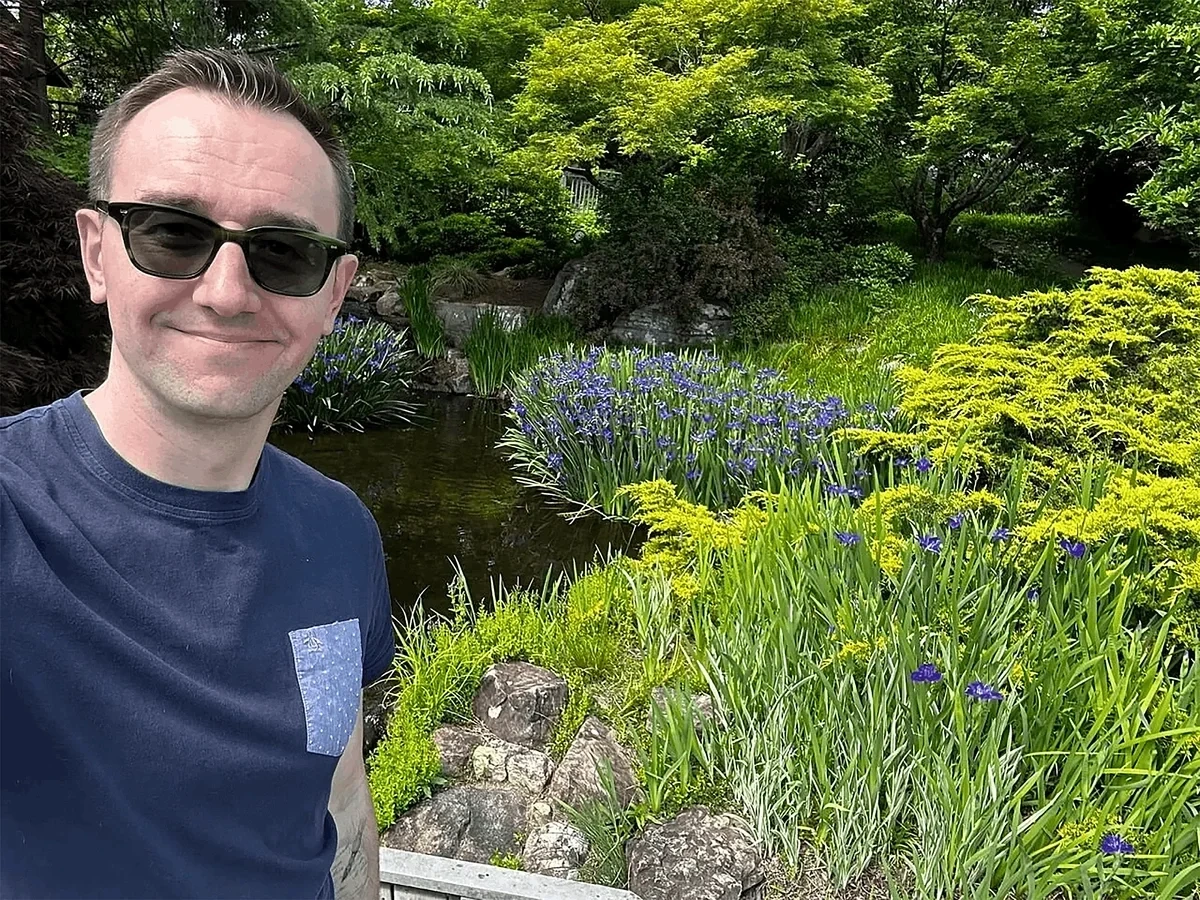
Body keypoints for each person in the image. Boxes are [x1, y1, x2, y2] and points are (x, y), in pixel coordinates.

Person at [0, 48, 394, 898]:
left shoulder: (339, 529)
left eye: (282, 252)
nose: (225, 291)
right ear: (98, 254)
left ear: (333, 294)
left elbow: (339, 800)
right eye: (174, 233)